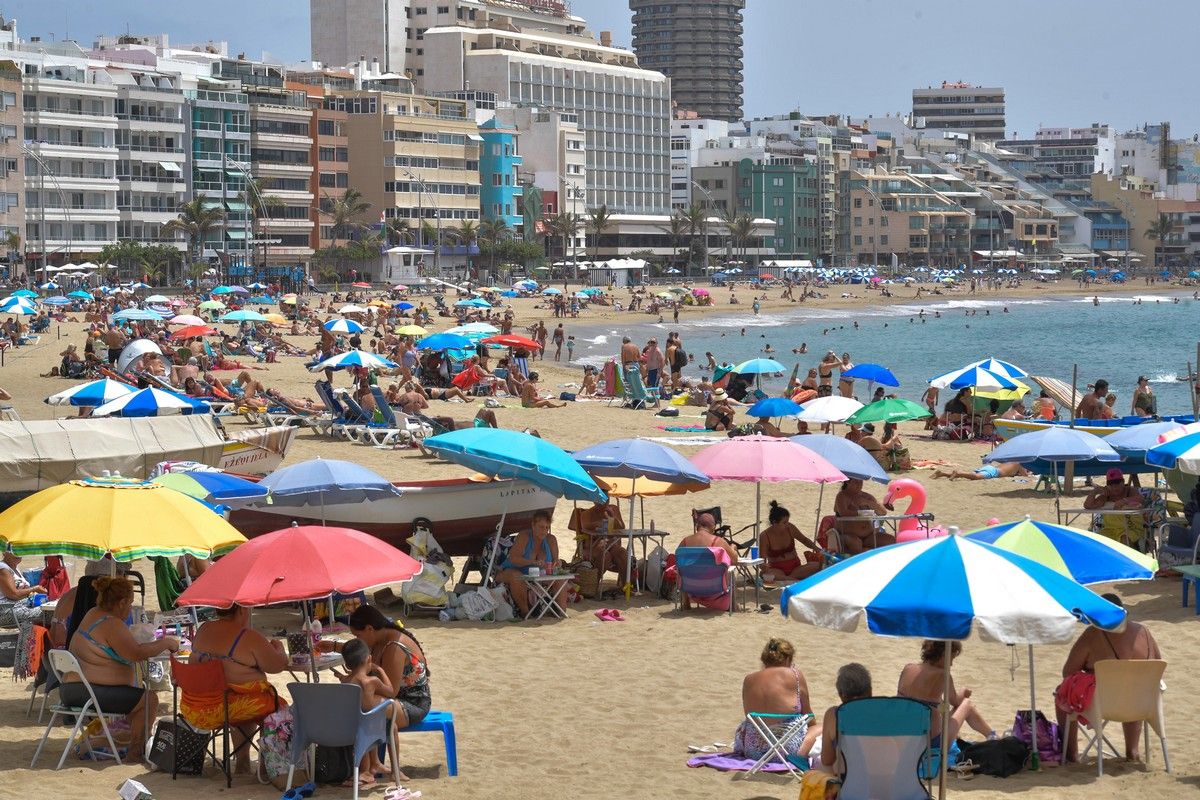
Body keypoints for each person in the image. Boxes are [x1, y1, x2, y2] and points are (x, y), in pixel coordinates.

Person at [65, 577, 179, 761]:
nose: (130, 608)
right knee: (149, 699)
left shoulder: (93, 614)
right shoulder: (111, 624)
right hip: (89, 693)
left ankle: (125, 744)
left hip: (73, 689)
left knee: (137, 699)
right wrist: (166, 643)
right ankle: (135, 752)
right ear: (122, 602)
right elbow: (136, 653)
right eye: (130, 603)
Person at [1054, 593, 1162, 763]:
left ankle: (1071, 755)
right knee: (1132, 688)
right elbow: (1157, 664)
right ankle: (1132, 751)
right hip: (1142, 703)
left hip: (1105, 705)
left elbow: (1068, 672)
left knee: (1061, 692)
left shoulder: (1093, 635)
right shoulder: (1144, 632)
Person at [186, 604, 288, 773]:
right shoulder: (248, 637)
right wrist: (280, 650)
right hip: (227, 708)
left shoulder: (203, 629)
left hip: (196, 708)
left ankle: (243, 761)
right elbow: (277, 666)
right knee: (277, 707)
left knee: (245, 700)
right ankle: (266, 766)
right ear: (242, 610)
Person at [319, 605, 431, 731]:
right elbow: (358, 651)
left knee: (359, 702)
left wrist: (359, 678)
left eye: (357, 635)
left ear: (369, 628)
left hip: (413, 704)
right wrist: (334, 646)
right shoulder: (377, 640)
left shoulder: (393, 648)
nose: (357, 639)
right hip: (394, 700)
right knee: (349, 700)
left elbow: (391, 691)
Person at [732, 639, 820, 762]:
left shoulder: (749, 679)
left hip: (753, 750)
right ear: (788, 659)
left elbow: (748, 715)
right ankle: (798, 758)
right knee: (824, 727)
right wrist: (814, 732)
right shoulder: (795, 675)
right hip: (787, 750)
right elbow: (808, 715)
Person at [898, 640, 997, 747]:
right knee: (967, 705)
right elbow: (955, 701)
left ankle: (992, 736)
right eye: (952, 658)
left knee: (936, 705)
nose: (951, 664)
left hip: (903, 737)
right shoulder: (943, 675)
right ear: (944, 655)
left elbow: (930, 701)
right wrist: (964, 691)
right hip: (931, 744)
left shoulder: (908, 668)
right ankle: (993, 737)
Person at [338, 638, 408, 786]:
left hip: (349, 727)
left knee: (367, 717)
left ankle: (371, 766)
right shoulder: (370, 681)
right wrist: (380, 671)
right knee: (392, 726)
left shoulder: (345, 681)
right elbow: (391, 692)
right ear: (369, 659)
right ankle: (395, 770)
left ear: (346, 664)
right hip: (370, 729)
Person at [497, 510, 568, 617]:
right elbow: (514, 559)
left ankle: (562, 613)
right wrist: (532, 562)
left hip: (537, 576)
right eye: (540, 527)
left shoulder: (551, 539)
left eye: (546, 528)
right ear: (533, 525)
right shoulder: (524, 536)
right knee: (517, 576)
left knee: (560, 579)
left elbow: (555, 561)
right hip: (510, 571)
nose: (544, 531)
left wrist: (557, 563)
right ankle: (526, 613)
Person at [0, 549, 50, 679]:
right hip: (7, 611)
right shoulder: (3, 569)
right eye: (13, 551)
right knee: (50, 615)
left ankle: (41, 659)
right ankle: (43, 660)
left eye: (18, 550)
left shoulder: (14, 569)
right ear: (4, 552)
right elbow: (13, 594)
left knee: (52, 612)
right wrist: (33, 589)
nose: (17, 554)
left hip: (18, 607)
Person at [677, 513, 739, 611]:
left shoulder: (685, 542)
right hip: (714, 589)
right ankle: (735, 608)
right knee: (732, 572)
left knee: (682, 569)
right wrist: (733, 547)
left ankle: (686, 603)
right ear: (713, 527)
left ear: (697, 526)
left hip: (691, 589)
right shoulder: (718, 541)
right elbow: (735, 559)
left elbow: (678, 562)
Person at [568, 500, 631, 585]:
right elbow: (585, 529)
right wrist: (596, 524)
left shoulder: (613, 509)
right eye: (601, 500)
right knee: (605, 555)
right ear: (595, 501)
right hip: (592, 546)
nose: (604, 503)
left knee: (622, 552)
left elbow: (621, 528)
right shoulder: (587, 514)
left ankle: (626, 586)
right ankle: (594, 586)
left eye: (607, 500)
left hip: (611, 544)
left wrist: (613, 517)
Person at [759, 501, 821, 581]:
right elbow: (762, 559)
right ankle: (793, 579)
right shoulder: (764, 536)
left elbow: (804, 540)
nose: (787, 524)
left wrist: (817, 549)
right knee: (765, 573)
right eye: (784, 523)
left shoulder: (790, 528)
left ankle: (789, 579)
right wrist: (763, 566)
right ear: (774, 522)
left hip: (796, 569)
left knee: (818, 565)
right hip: (777, 570)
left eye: (788, 522)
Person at [832, 479, 895, 554]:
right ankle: (863, 556)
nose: (859, 484)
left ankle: (869, 554)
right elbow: (843, 513)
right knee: (856, 543)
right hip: (848, 535)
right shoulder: (842, 496)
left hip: (869, 536)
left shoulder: (866, 496)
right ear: (848, 482)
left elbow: (883, 512)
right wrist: (860, 513)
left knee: (891, 540)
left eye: (861, 482)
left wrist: (867, 502)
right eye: (856, 482)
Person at [932, 462, 1031, 481]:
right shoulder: (1019, 465)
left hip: (990, 467)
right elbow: (1026, 476)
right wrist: (1030, 474)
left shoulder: (1011, 462)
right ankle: (959, 473)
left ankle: (942, 473)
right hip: (994, 472)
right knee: (976, 477)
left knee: (973, 475)